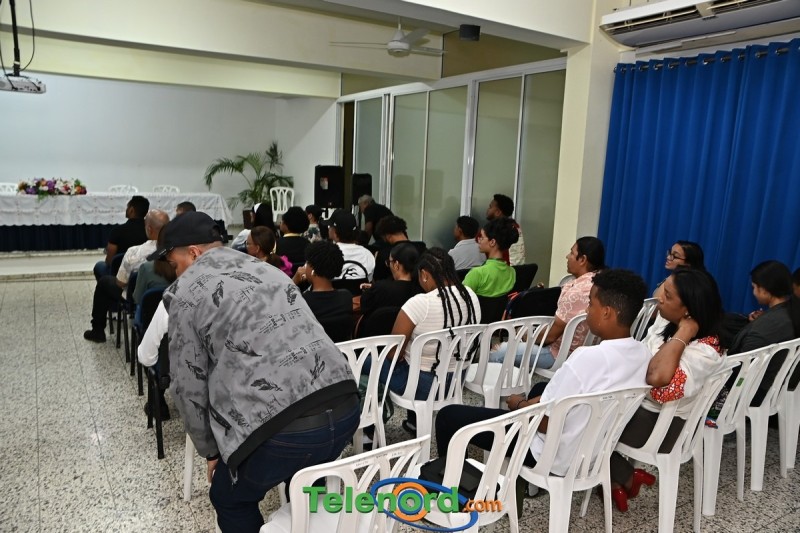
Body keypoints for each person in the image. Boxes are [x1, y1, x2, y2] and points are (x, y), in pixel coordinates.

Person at [148, 211, 359, 532]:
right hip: (345, 405)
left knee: (229, 498)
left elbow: (187, 386)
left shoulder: (188, 291)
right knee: (308, 478)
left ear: (193, 252)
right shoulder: (269, 270)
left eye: (173, 262)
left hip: (282, 432)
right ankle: (311, 519)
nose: (174, 271)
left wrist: (211, 451)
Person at [435, 269, 651, 513]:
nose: (587, 310)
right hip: (592, 453)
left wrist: (518, 405)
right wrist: (535, 401)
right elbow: (563, 401)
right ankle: (518, 485)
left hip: (550, 454)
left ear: (607, 312)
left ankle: (452, 496)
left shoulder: (587, 358)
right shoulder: (643, 354)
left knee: (449, 417)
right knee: (540, 388)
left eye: (591, 303)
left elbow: (545, 422)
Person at [609, 268, 725, 512]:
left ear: (688, 310)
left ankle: (623, 476)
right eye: (663, 289)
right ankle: (617, 480)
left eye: (668, 295)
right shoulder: (667, 324)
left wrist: (684, 332)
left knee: (580, 420)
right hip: (639, 410)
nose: (659, 298)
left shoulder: (705, 350)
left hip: (658, 426)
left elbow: (659, 387)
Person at [362, 248, 480, 433]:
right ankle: (414, 422)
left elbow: (393, 354)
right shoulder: (470, 296)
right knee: (416, 360)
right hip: (456, 380)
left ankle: (369, 431)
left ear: (424, 274)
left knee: (365, 361)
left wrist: (407, 350)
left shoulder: (421, 303)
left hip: (421, 387)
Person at [489, 236, 606, 369]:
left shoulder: (576, 292)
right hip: (587, 352)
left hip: (559, 354)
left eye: (572, 253)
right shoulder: (601, 284)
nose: (567, 256)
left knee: (498, 352)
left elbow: (550, 337)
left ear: (582, 260)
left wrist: (526, 338)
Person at [84, 209, 170, 343]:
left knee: (104, 282)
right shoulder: (180, 250)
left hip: (137, 298)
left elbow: (121, 283)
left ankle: (98, 330)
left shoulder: (135, 252)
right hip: (170, 297)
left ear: (149, 229)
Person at [728, 261, 800, 405]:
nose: (753, 292)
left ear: (764, 290)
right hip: (779, 387)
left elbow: (742, 365)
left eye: (754, 287)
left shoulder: (765, 325)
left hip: (753, 392)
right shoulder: (792, 311)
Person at [292, 240, 353, 343]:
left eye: (307, 263)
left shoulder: (302, 301)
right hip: (340, 350)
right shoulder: (346, 297)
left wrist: (293, 281)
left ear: (313, 269)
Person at [93, 195, 150, 280]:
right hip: (143, 272)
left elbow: (109, 261)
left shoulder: (117, 231)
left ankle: (107, 286)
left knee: (99, 266)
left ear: (131, 210)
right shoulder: (151, 232)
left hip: (119, 274)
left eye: (127, 207)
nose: (126, 209)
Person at [360, 242, 423, 317]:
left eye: (389, 262)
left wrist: (373, 289)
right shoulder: (421, 291)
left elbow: (364, 306)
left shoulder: (380, 288)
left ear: (396, 265)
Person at [463, 217, 518, 297]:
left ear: (492, 242)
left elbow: (460, 300)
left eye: (482, 237)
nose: (479, 240)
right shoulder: (512, 273)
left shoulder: (477, 273)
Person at [371, 215, 426, 281]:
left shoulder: (384, 254)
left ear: (387, 236)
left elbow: (378, 279)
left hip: (391, 287)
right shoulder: (422, 248)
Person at [327, 209, 375, 280]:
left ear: (334, 232)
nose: (328, 228)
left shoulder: (326, 254)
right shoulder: (368, 255)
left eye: (329, 226)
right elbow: (369, 281)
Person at [486, 194, 525, 266]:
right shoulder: (515, 226)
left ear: (498, 212)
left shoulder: (498, 229)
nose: (487, 210)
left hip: (503, 269)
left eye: (490, 207)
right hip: (516, 270)